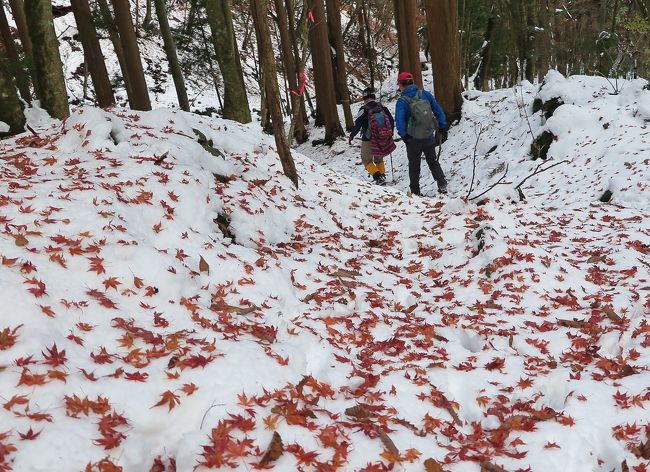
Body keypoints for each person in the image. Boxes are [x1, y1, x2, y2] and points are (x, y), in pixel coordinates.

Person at [395, 71, 448, 195]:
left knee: (414, 165)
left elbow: (399, 120)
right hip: (428, 134)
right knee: (432, 160)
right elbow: (437, 109)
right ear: (412, 82)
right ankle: (442, 183)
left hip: (412, 138)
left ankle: (415, 191)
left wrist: (404, 135)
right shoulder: (425, 94)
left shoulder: (402, 101)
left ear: (401, 84)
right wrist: (442, 125)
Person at [348, 87, 395, 186]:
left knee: (366, 159)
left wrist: (352, 135)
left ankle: (378, 176)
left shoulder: (363, 109)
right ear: (373, 97)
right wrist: (390, 133)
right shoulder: (382, 107)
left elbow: (358, 125)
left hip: (368, 138)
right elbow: (390, 120)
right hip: (382, 137)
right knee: (379, 159)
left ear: (364, 99)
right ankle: (382, 175)